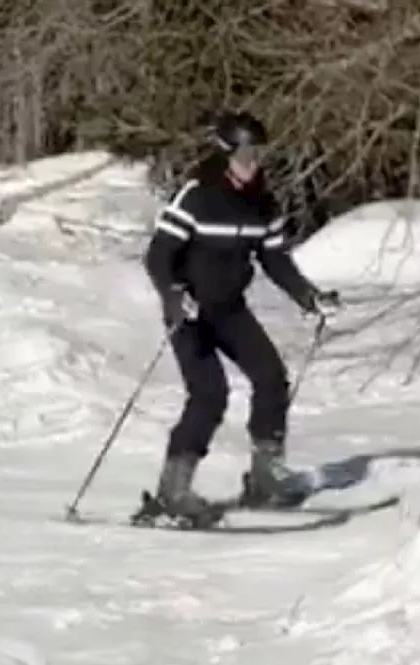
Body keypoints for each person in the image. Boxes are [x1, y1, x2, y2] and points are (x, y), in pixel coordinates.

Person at [142, 110, 340, 525]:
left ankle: (267, 477)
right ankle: (173, 490)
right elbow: (159, 254)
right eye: (245, 151)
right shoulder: (197, 195)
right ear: (226, 152)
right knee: (209, 394)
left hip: (229, 309)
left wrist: (309, 297)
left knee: (270, 378)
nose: (253, 160)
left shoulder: (261, 203)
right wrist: (175, 296)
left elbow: (274, 258)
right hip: (190, 312)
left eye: (258, 151)